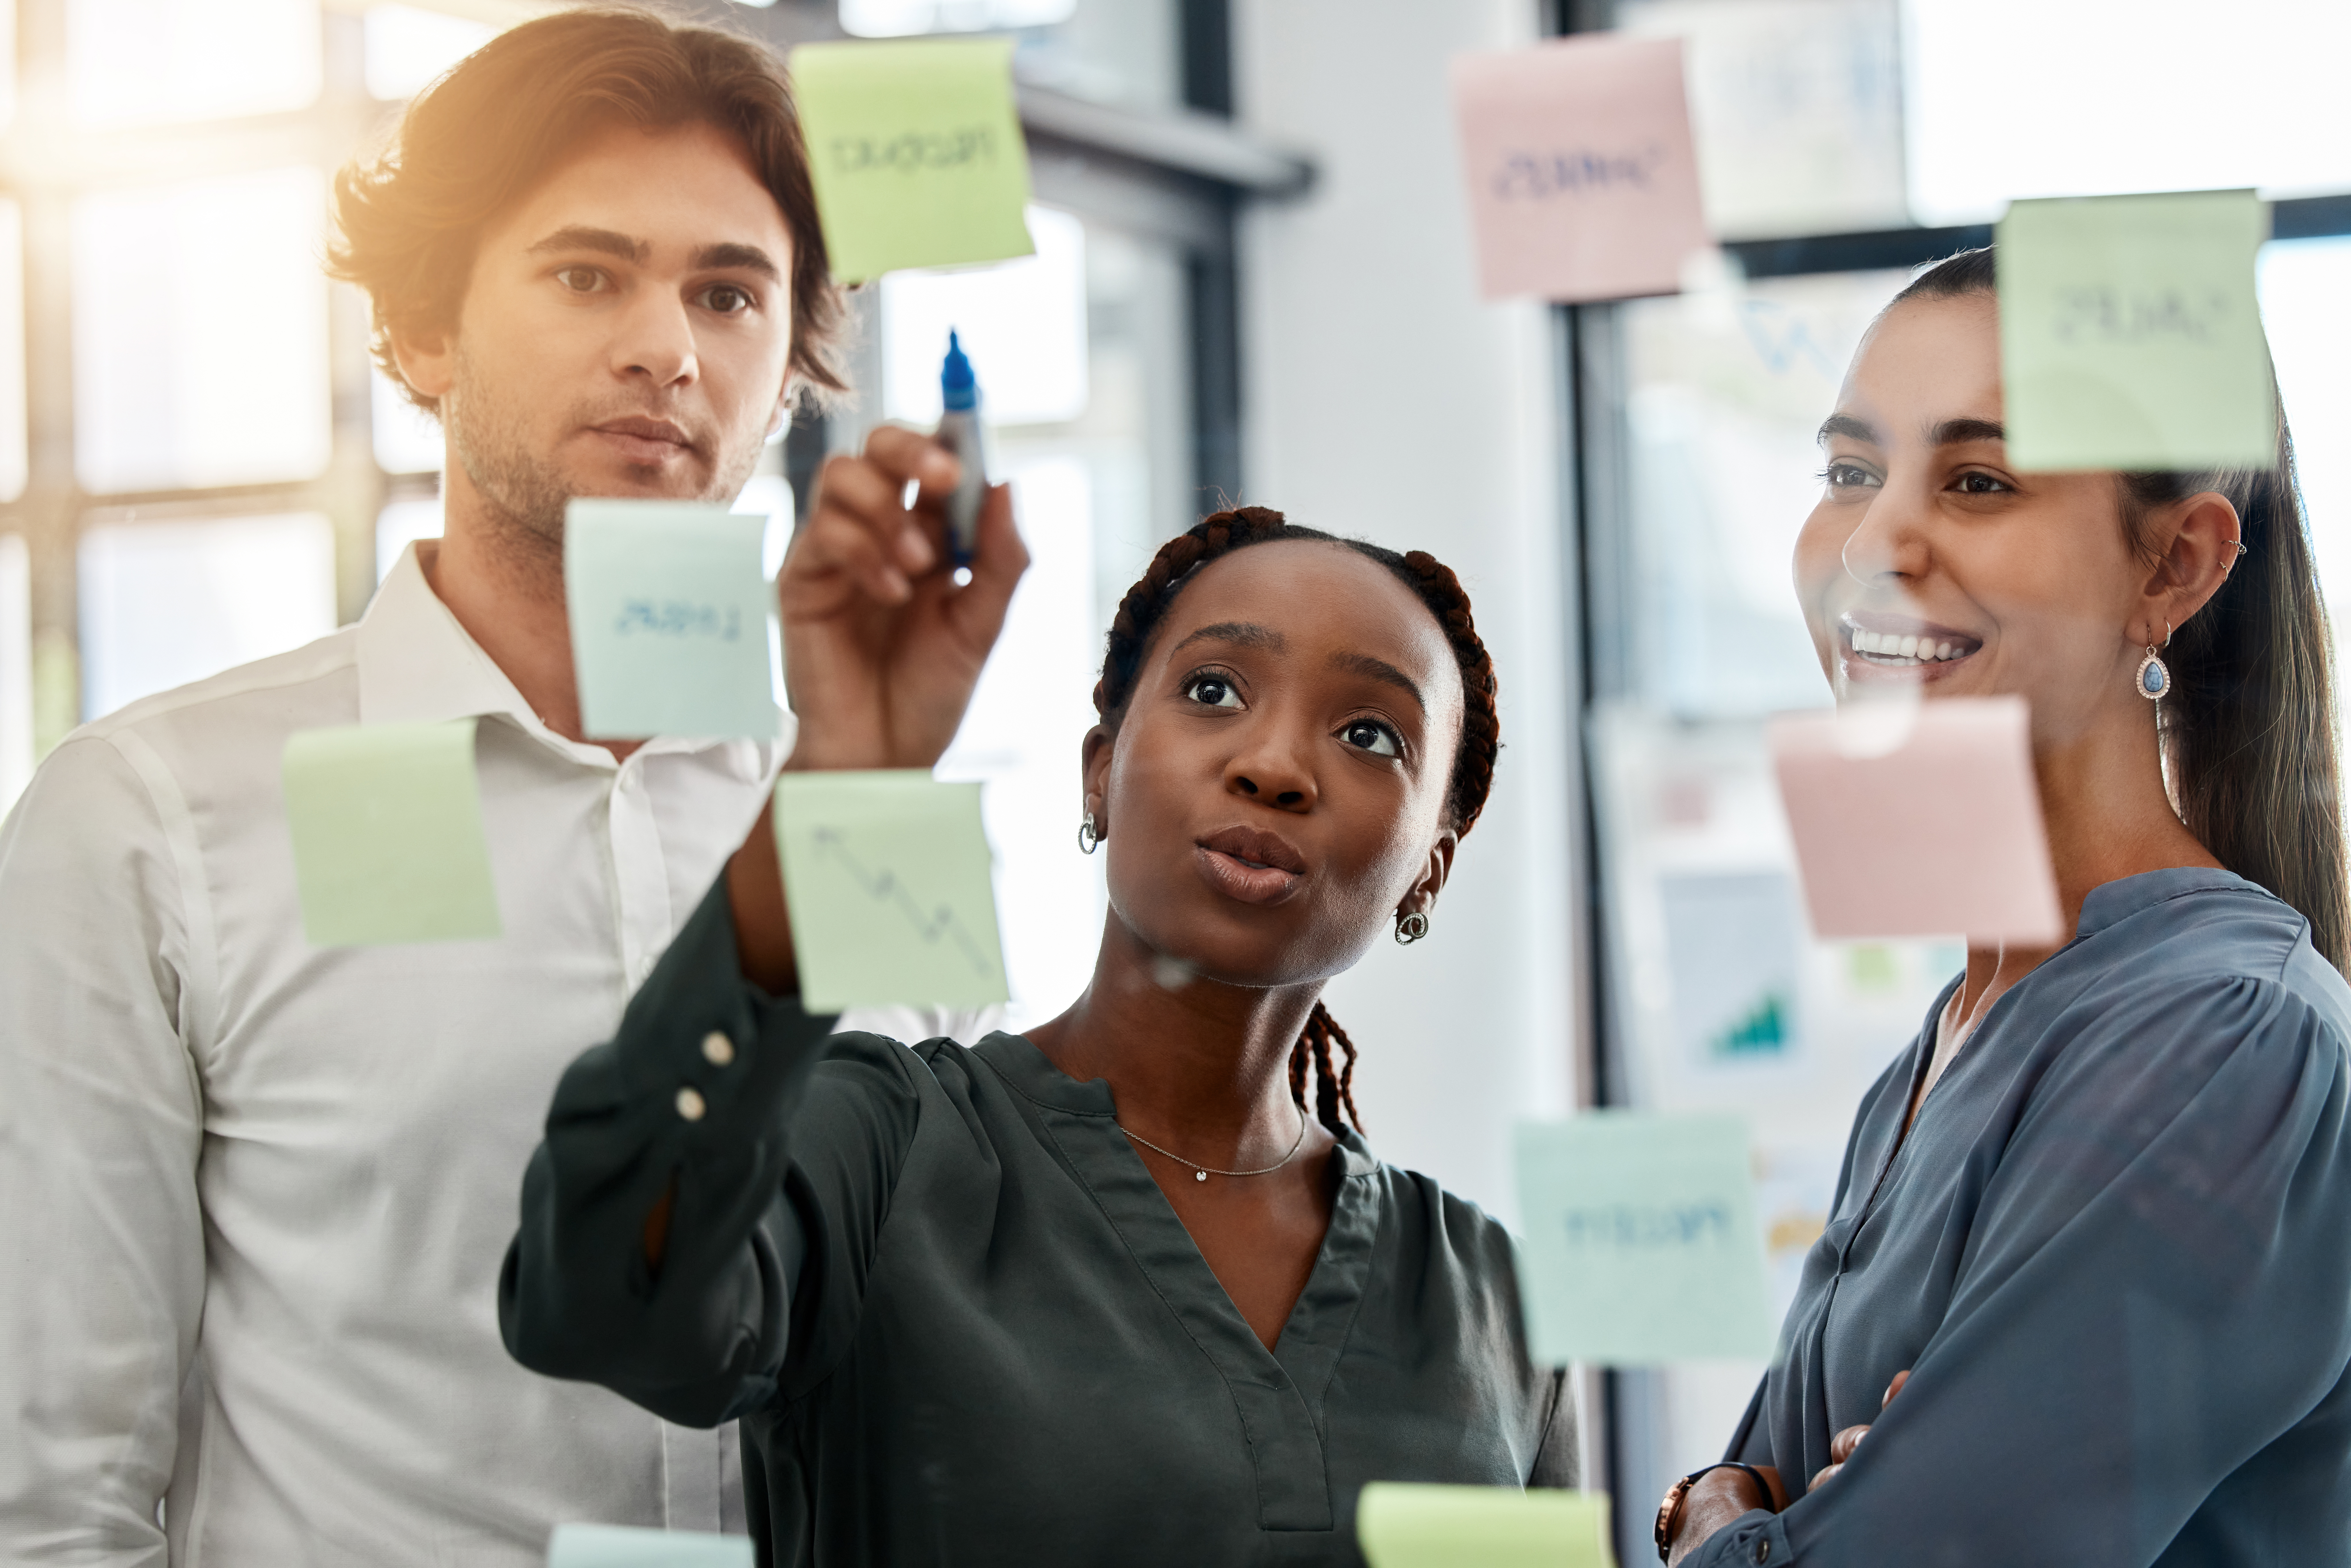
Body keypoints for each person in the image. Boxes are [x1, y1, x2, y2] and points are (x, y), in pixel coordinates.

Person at [0, 10, 1015, 1561]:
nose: (668, 348)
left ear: (787, 373)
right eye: (587, 274)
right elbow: (56, 1487)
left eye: (728, 292)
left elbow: (946, 1353)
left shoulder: (871, 817)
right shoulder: (151, 815)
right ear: (424, 334)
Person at [499, 505, 1575, 1565]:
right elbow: (599, 1297)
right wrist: (827, 789)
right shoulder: (882, 1146)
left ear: (1429, 868)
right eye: (1214, 689)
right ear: (1100, 770)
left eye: (1369, 734)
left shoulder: (1495, 1303)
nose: (1274, 764)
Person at [1660, 247, 2351, 1567]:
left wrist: (1710, 1510)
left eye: (1975, 481)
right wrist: (1760, 1514)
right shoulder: (1944, 1040)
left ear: (2171, 569)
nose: (1870, 545)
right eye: (1848, 472)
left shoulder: (2219, 1039)